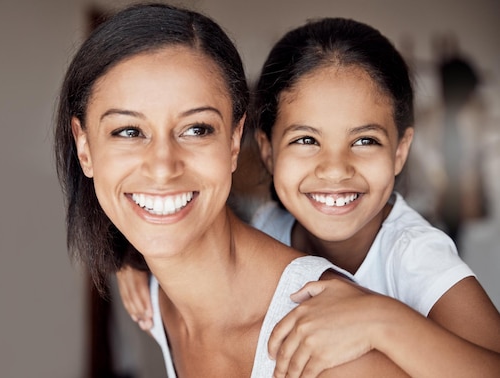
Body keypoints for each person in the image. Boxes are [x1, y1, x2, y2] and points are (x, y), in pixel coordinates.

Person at [116, 16, 500, 378]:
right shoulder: (267, 225)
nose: (335, 169)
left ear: (400, 151)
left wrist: (382, 320)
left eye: (365, 140)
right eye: (306, 140)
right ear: (267, 150)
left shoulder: (414, 253)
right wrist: (133, 261)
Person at [54, 4, 410, 377]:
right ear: (84, 147)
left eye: (196, 129)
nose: (162, 167)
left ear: (235, 141)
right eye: (128, 132)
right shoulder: (157, 298)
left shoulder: (327, 346)